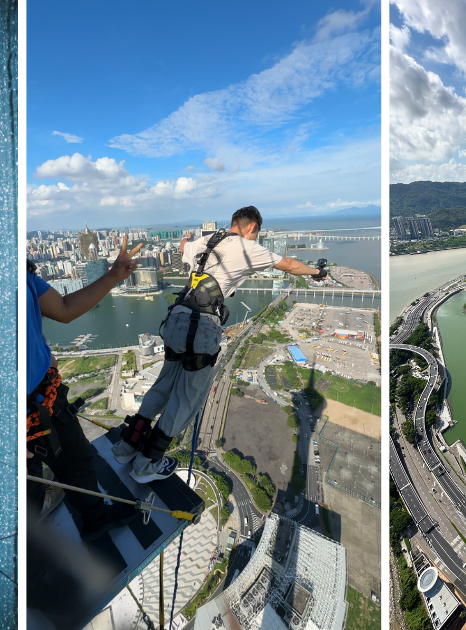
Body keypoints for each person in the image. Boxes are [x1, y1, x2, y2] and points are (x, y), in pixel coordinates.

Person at [112, 206, 328, 483]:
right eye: (256, 234)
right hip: (202, 328)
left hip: (175, 320)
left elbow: (182, 248)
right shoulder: (247, 247)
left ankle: (125, 448)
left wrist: (183, 241)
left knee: (162, 385)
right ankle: (146, 464)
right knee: (185, 399)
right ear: (252, 228)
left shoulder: (206, 241)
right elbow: (288, 265)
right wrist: (315, 272)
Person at [27, 240, 145, 540]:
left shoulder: (20, 274)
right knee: (28, 493)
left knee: (76, 461)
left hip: (46, 398)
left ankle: (93, 518)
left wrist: (114, 275)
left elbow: (64, 309)